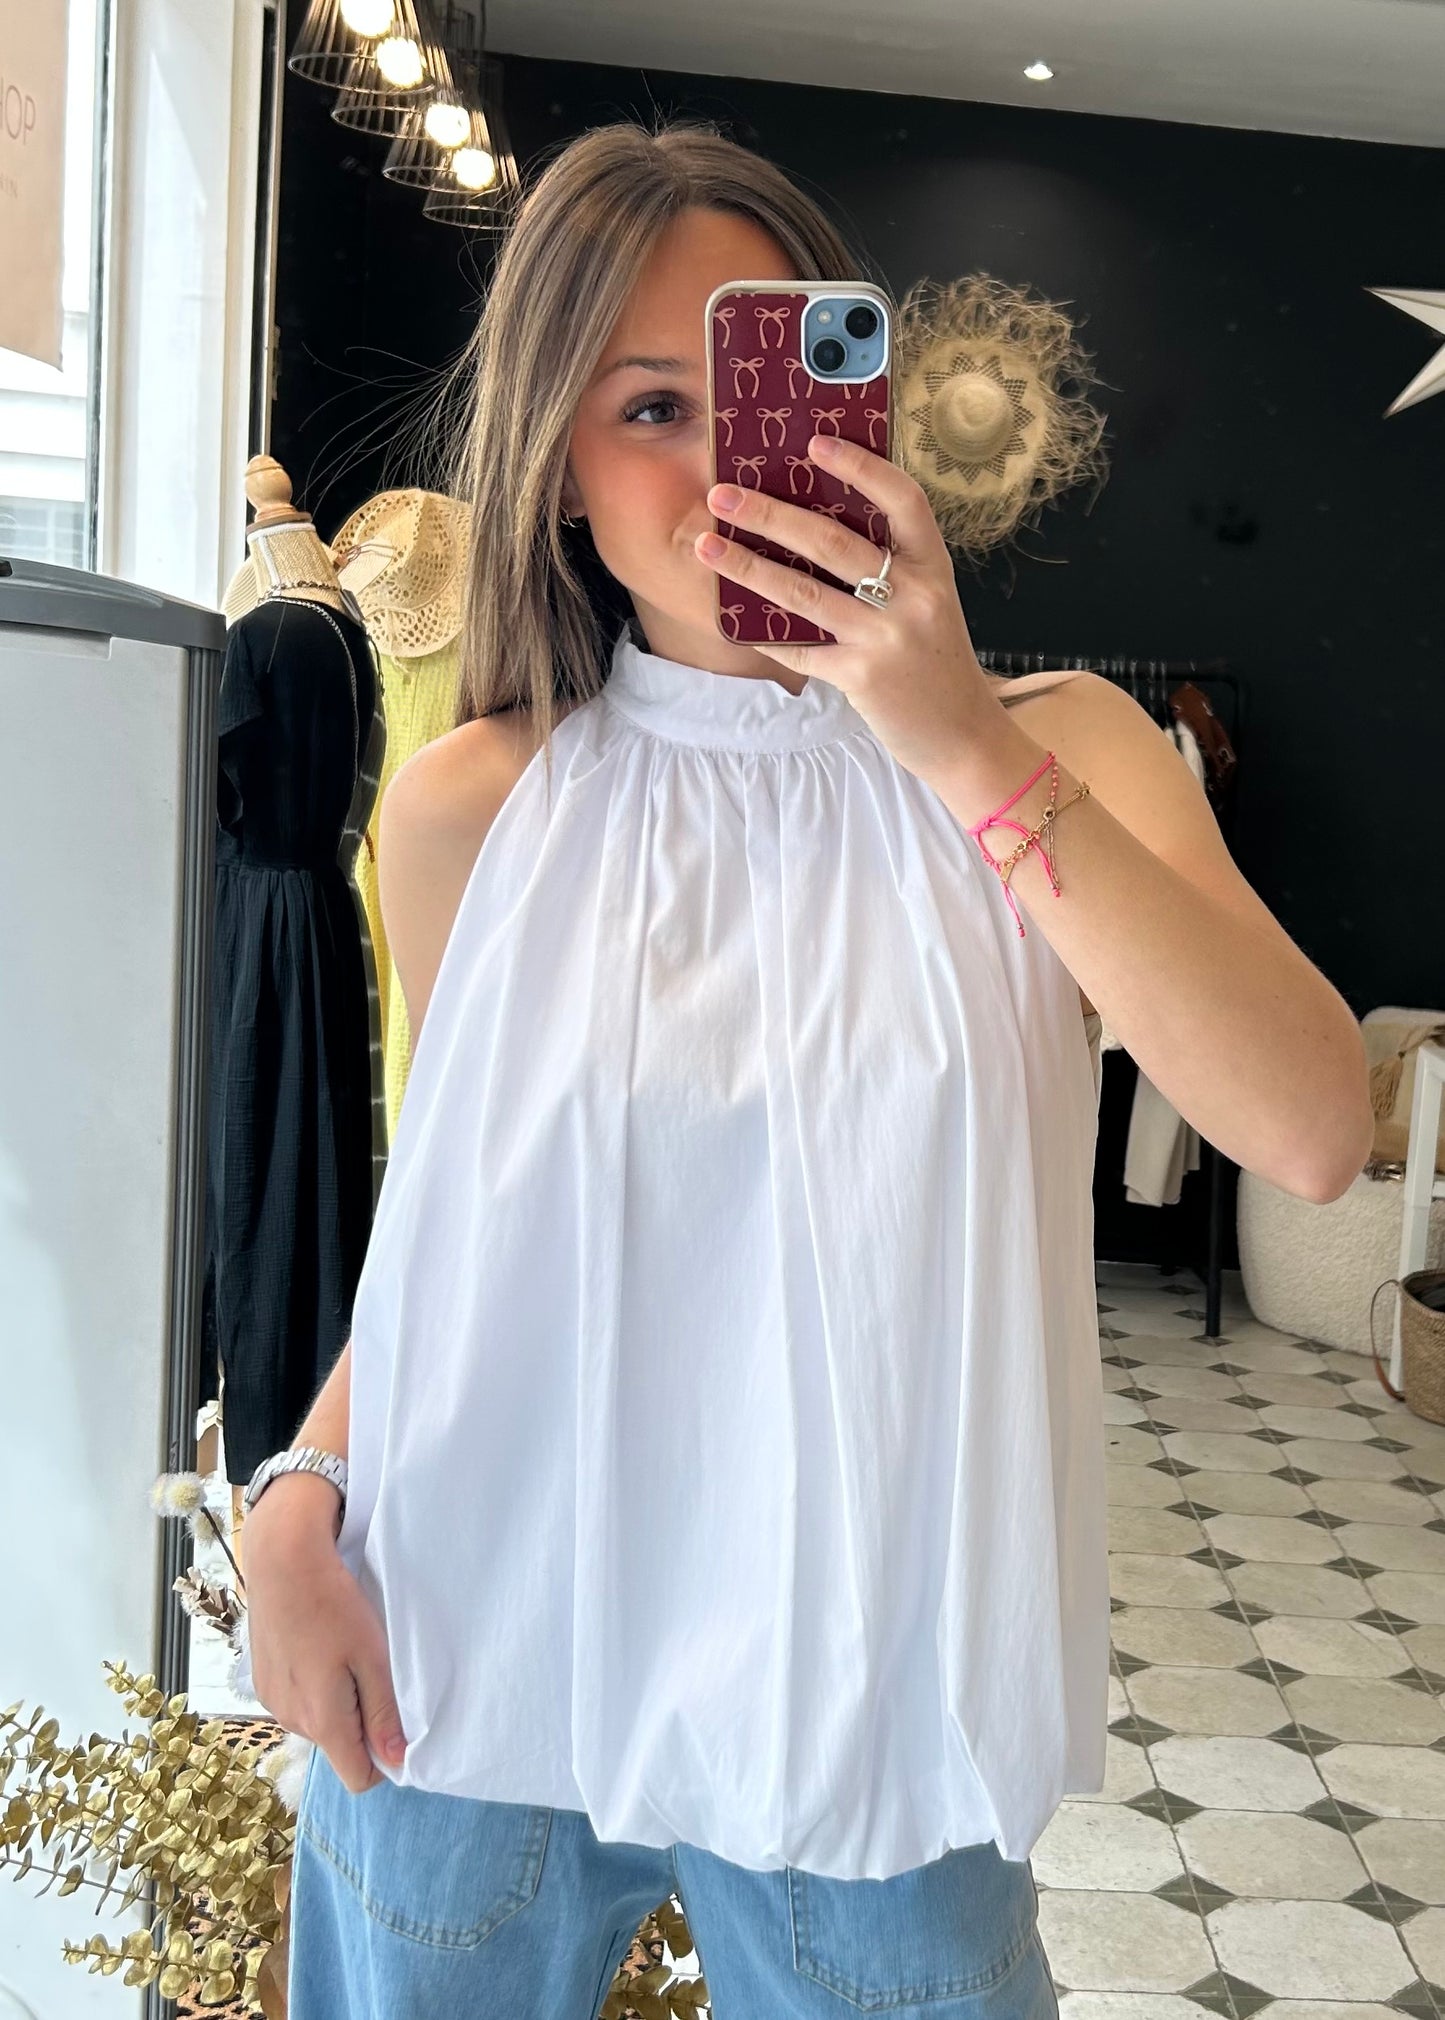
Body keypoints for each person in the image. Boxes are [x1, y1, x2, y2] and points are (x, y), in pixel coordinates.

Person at [242, 119, 1373, 2020]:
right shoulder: (470, 807)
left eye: (764, 389)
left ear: (860, 413)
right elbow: (459, 1249)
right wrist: (295, 1497)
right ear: (556, 466)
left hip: (868, 1682)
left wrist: (949, 737)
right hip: (469, 1652)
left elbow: (1313, 1129)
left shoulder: (1063, 749)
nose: (722, 467)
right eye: (649, 408)